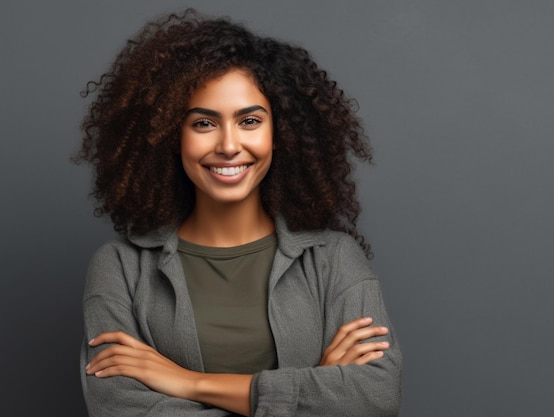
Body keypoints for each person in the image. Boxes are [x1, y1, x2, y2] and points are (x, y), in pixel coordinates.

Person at [75, 9, 401, 417]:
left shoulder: (334, 258)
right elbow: (117, 409)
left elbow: (376, 399)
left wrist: (188, 382)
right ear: (170, 137)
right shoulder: (120, 269)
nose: (229, 145)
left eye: (249, 121)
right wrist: (311, 390)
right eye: (204, 124)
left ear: (279, 134)